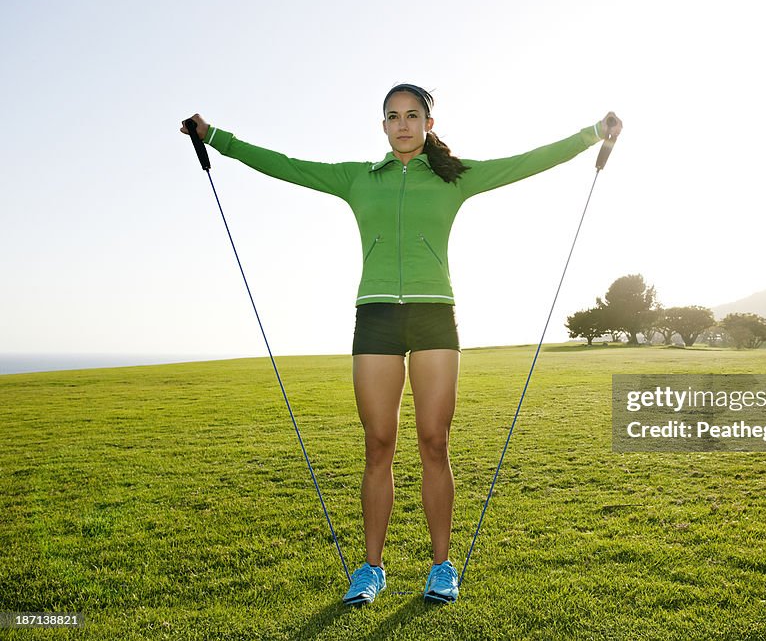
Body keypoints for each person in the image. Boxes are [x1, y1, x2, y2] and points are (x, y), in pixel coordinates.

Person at [180, 84, 621, 605]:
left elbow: (527, 161)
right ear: (383, 126)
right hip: (376, 319)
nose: (403, 124)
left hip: (435, 316)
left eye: (413, 115)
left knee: (435, 442)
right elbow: (284, 164)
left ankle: (441, 566)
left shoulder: (454, 177)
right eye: (393, 116)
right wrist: (215, 137)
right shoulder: (357, 178)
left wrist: (595, 134)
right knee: (378, 445)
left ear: (429, 124)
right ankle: (371, 570)